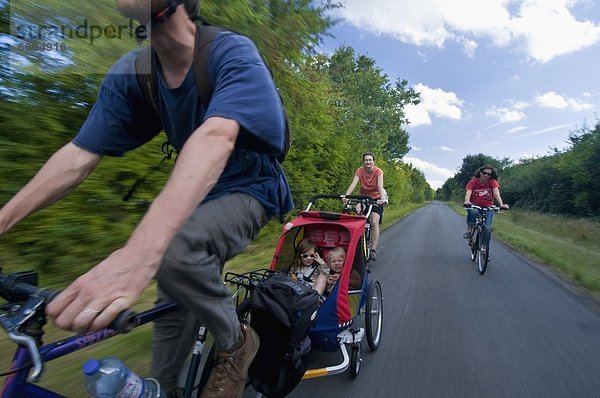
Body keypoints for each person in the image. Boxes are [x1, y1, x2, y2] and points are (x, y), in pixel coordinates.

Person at [0, 1, 293, 397]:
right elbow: (79, 155)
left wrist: (140, 253)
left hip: (250, 188)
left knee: (174, 252)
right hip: (193, 196)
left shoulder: (229, 51)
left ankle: (237, 343)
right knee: (173, 299)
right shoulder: (135, 72)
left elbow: (217, 137)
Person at [344, 152, 386, 261]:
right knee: (359, 215)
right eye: (366, 160)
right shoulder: (360, 170)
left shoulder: (378, 171)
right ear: (363, 162)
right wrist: (346, 196)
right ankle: (359, 243)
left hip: (376, 198)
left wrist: (382, 199)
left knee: (374, 221)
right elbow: (353, 184)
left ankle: (373, 250)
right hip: (362, 197)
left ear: (373, 161)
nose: (368, 162)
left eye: (370, 160)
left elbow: (379, 186)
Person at [463, 164, 509, 239]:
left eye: (489, 174)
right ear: (480, 173)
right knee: (473, 212)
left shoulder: (492, 182)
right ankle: (469, 231)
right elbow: (468, 193)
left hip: (488, 207)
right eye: (484, 173)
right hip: (475, 205)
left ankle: (484, 246)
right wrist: (467, 201)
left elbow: (496, 194)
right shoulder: (473, 182)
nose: (486, 175)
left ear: (491, 175)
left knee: (487, 228)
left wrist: (501, 204)